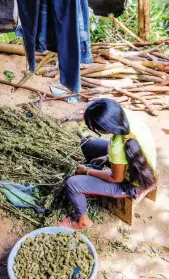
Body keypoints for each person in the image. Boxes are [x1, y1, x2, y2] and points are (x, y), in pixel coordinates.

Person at [59, 98, 157, 231]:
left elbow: (115, 178)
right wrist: (107, 157)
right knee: (88, 144)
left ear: (106, 128)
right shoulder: (126, 116)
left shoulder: (118, 148)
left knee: (72, 184)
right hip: (140, 164)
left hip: (133, 183)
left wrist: (87, 171)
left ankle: (83, 222)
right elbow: (122, 153)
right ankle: (91, 184)